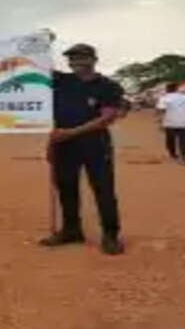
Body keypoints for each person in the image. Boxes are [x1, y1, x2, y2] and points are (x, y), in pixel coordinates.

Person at [42, 43, 125, 255]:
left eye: (80, 58)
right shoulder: (61, 82)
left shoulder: (108, 86)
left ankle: (110, 235)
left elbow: (106, 118)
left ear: (93, 59)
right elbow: (35, 66)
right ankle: (71, 230)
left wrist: (71, 132)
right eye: (71, 59)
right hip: (64, 145)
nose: (75, 62)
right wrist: (42, 44)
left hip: (95, 145)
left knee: (103, 189)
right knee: (66, 188)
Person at [156, 83, 185, 165]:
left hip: (170, 121)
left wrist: (160, 121)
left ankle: (173, 153)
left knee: (170, 139)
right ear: (177, 89)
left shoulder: (164, 98)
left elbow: (161, 109)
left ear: (167, 89)